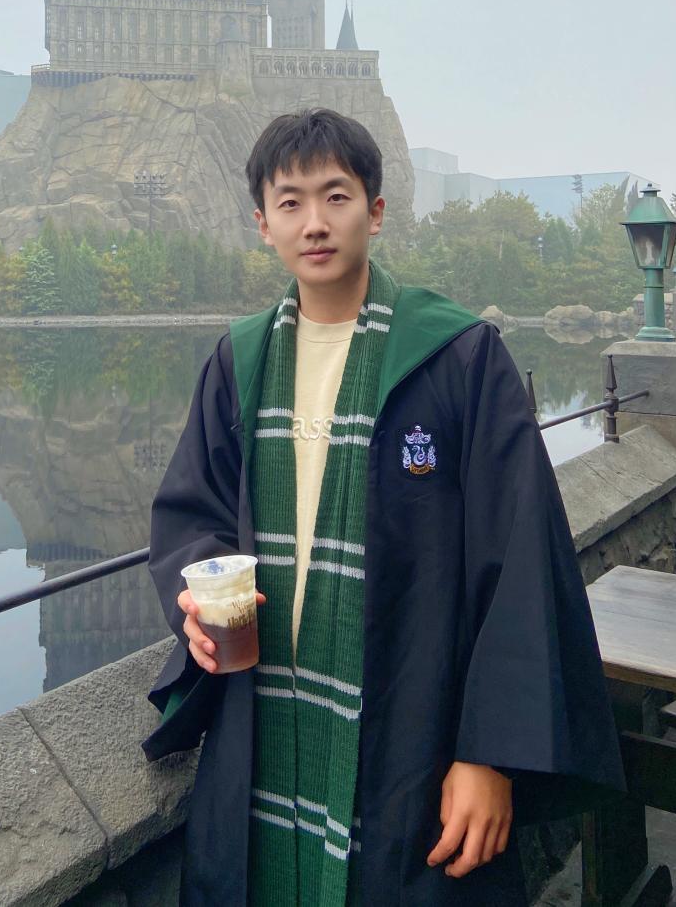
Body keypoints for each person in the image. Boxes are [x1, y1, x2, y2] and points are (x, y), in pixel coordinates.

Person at [142, 109, 625, 905]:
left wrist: (489, 753)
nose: (315, 222)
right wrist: (193, 600)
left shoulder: (458, 357)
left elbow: (521, 562)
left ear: (375, 210)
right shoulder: (239, 361)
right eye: (290, 202)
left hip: (414, 721)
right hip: (265, 719)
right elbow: (192, 514)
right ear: (262, 224)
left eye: (336, 196)